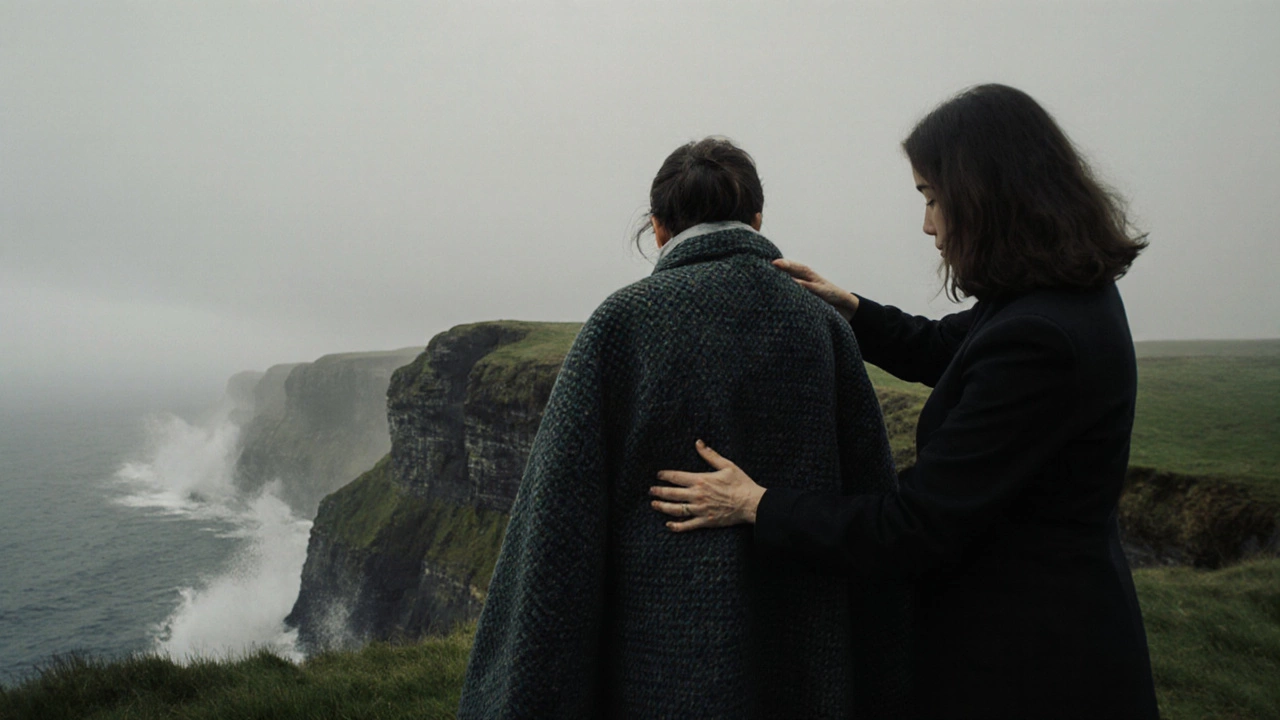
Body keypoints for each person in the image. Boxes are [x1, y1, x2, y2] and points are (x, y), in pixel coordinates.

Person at [651, 85, 1160, 719]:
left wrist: (756, 505)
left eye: (932, 198)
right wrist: (852, 309)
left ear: (985, 197)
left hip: (1031, 666)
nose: (928, 224)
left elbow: (911, 529)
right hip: (1056, 628)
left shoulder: (1042, 337)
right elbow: (948, 347)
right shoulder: (1055, 299)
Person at [458, 137, 909, 718]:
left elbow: (557, 529)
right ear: (757, 217)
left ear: (658, 228)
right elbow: (872, 490)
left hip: (659, 663)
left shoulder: (622, 324)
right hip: (802, 650)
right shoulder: (822, 327)